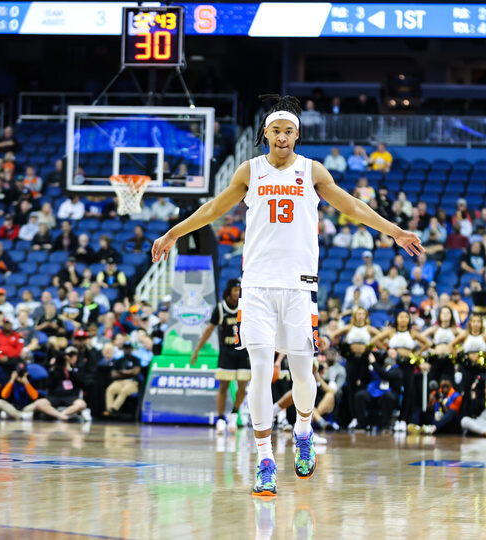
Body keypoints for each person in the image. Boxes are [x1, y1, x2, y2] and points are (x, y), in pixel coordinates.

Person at [151, 95, 422, 496]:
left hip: (300, 285)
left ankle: (303, 430)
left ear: (297, 134)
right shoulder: (249, 171)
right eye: (276, 130)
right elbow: (213, 209)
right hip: (257, 284)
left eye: (289, 130)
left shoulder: (312, 171)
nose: (282, 136)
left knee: (302, 369)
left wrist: (394, 230)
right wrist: (174, 232)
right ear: (265, 132)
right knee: (260, 368)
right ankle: (264, 459)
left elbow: (352, 206)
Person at [191, 279, 250, 434]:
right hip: (226, 352)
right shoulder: (220, 308)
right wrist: (197, 349)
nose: (238, 293)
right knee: (223, 386)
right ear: (229, 291)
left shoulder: (246, 306)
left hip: (243, 351)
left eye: (239, 290)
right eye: (235, 290)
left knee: (243, 386)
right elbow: (209, 330)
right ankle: (220, 419)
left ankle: (234, 413)